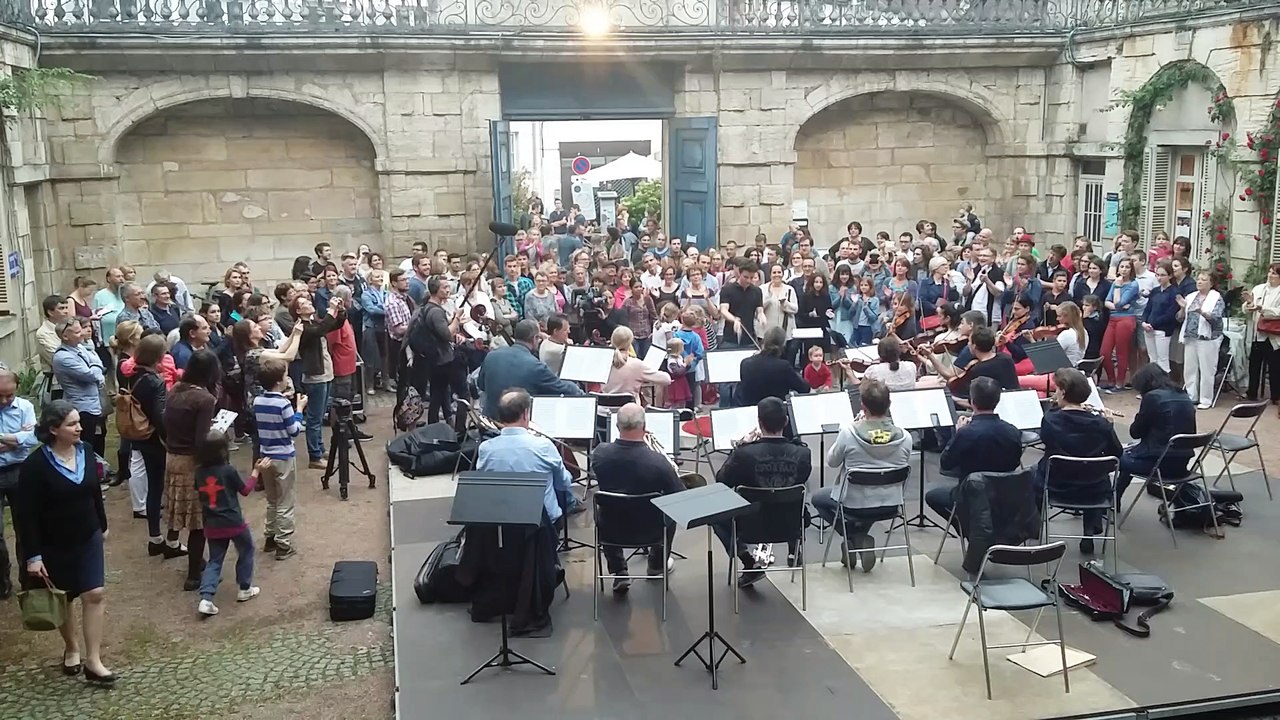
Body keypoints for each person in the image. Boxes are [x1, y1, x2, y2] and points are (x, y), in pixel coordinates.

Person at [16, 400, 115, 685]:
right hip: (53, 543)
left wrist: (103, 524)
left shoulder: (85, 451)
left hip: (88, 536)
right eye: (72, 424)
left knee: (94, 593)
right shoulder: (34, 466)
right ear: (53, 429)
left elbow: (95, 491)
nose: (79, 428)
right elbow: (27, 515)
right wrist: (33, 556)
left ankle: (94, 660)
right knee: (66, 597)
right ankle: (71, 647)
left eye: (78, 422)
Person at [471, 388, 568, 635]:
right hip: (540, 524)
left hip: (501, 525)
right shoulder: (543, 446)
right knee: (559, 500)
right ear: (526, 414)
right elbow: (564, 483)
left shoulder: (487, 449)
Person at [811, 379, 913, 571]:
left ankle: (854, 539)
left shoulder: (849, 433)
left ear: (863, 406)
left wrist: (851, 426)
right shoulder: (905, 437)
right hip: (891, 503)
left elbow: (832, 462)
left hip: (855, 504)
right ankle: (859, 538)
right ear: (889, 405)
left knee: (818, 498)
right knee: (875, 494)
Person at [713, 398, 811, 584]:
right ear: (786, 422)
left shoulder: (744, 454)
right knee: (792, 496)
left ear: (759, 422)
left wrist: (739, 448)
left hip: (749, 525)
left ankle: (749, 564)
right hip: (791, 524)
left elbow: (722, 481)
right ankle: (793, 550)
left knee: (715, 514)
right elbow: (802, 479)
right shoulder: (803, 453)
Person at [590, 403, 684, 593]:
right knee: (671, 510)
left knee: (607, 505)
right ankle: (656, 565)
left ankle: (619, 572)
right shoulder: (657, 461)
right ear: (644, 425)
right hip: (650, 529)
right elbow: (679, 494)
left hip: (612, 528)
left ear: (617, 426)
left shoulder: (600, 453)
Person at [1036, 369, 1124, 553]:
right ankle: (1089, 533)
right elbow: (1116, 453)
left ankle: (1034, 525)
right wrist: (1109, 424)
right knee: (1093, 469)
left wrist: (1055, 407)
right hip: (1093, 489)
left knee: (1032, 474)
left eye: (1057, 389)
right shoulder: (1101, 424)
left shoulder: (1051, 419)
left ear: (1063, 392)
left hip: (1057, 485)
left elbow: (1046, 440)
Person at [924, 377, 1023, 525]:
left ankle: (967, 528)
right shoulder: (1013, 431)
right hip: (1003, 492)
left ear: (971, 401)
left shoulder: (966, 433)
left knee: (932, 496)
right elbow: (1015, 461)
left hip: (970, 493)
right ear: (997, 401)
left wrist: (957, 433)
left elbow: (946, 463)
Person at [163, 349, 222, 591]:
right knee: (198, 522)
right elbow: (201, 440)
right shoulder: (204, 399)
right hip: (191, 462)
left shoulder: (176, 389)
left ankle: (171, 543)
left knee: (178, 512)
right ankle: (194, 574)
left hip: (173, 456)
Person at [194, 432, 269, 617]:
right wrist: (256, 472)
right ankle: (244, 588)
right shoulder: (228, 470)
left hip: (211, 523)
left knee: (214, 560)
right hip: (233, 522)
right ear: (223, 450)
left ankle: (206, 598)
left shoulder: (199, 473)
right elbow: (245, 490)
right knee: (246, 550)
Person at [121, 334, 174, 560]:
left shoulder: (134, 375)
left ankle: (154, 537)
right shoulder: (156, 381)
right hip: (155, 439)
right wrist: (170, 438)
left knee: (154, 486)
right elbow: (160, 416)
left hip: (140, 436)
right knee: (159, 486)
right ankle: (160, 538)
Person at [1115, 364, 1197, 507]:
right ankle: (1113, 498)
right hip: (1182, 464)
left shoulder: (1152, 397)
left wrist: (1139, 416)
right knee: (1130, 452)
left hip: (1159, 465)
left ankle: (1112, 499)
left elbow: (1135, 432)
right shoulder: (1183, 394)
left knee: (1116, 457)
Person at [252, 358, 306, 561]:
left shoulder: (258, 401)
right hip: (283, 456)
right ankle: (283, 543)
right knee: (286, 500)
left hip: (266, 456)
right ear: (278, 381)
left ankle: (270, 537)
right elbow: (293, 431)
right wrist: (299, 409)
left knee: (272, 499)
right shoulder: (283, 404)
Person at [477, 320, 582, 418]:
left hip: (490, 423)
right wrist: (579, 390)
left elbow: (481, 384)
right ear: (534, 339)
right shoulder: (535, 366)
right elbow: (563, 388)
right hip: (519, 423)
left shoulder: (491, 356)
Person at [291, 292, 347, 467]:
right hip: (315, 377)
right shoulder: (302, 327)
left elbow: (333, 325)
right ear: (298, 311)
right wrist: (331, 310)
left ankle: (320, 449)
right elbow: (320, 330)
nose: (309, 303)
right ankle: (314, 456)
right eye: (304, 303)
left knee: (320, 415)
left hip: (325, 373)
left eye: (308, 300)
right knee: (314, 419)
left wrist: (341, 311)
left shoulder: (312, 322)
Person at [0, 368, 38, 600]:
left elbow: (33, 438)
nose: (4, 401)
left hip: (20, 471)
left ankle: (30, 579)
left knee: (25, 527)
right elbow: (23, 438)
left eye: (9, 395)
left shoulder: (25, 407)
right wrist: (16, 438)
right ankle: (2, 582)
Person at [51, 318, 107, 464]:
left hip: (94, 403)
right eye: (77, 332)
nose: (82, 334)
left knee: (98, 438)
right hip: (82, 407)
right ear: (65, 336)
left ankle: (99, 470)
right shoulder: (63, 357)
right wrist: (96, 365)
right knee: (86, 443)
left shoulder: (80, 347)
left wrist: (96, 365)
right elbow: (90, 375)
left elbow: (98, 364)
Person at [1179, 271, 1225, 409]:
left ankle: (1205, 399)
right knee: (1190, 368)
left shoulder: (1216, 298)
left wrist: (1202, 313)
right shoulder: (1191, 296)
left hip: (1208, 338)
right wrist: (1182, 308)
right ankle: (1191, 396)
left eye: (1204, 279)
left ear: (1211, 283)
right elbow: (1180, 318)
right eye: (1198, 279)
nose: (1199, 282)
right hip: (1190, 336)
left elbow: (1216, 318)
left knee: (1207, 369)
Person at [736, 325, 810, 407]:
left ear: (764, 341)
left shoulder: (746, 363)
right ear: (783, 344)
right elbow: (804, 388)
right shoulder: (784, 366)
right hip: (775, 413)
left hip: (751, 412)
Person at [1098, 257, 1140, 391]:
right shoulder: (1116, 282)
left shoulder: (1133, 285)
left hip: (1126, 319)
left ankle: (1119, 382)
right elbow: (1106, 302)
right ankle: (1111, 379)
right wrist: (1118, 306)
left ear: (1131, 269)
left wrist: (1118, 287)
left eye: (1127, 267)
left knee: (1122, 352)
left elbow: (1118, 302)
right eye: (1122, 267)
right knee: (1104, 352)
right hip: (1113, 319)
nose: (1124, 270)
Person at [1243, 263, 1280, 403]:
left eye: (1275, 273)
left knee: (1275, 367)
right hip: (1257, 333)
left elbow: (1278, 312)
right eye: (1270, 272)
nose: (1271, 275)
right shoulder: (1259, 288)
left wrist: (1262, 308)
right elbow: (1246, 308)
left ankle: (1276, 396)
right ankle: (1251, 392)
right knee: (1254, 365)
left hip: (1273, 335)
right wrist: (1248, 305)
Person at [602, 326, 671, 400]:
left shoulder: (602, 362)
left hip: (605, 409)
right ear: (630, 343)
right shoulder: (636, 364)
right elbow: (667, 379)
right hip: (631, 410)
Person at [1142, 261, 1181, 374]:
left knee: (1162, 360)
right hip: (1149, 328)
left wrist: (1153, 324)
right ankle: (1154, 384)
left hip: (1163, 330)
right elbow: (1148, 308)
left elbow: (1170, 314)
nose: (1159, 278)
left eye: (1162, 275)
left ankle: (1164, 384)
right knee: (1152, 359)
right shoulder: (1155, 291)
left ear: (1170, 276)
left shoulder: (1174, 292)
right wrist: (1144, 322)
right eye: (1157, 275)